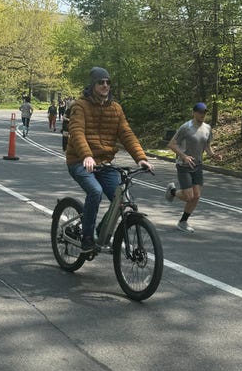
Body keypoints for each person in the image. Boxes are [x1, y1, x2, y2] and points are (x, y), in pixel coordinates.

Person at [66, 67, 151, 255]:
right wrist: (86, 155)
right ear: (93, 84)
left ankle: (100, 233)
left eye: (108, 82)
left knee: (122, 198)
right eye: (100, 82)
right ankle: (87, 237)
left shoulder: (116, 108)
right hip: (80, 161)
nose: (105, 85)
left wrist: (141, 158)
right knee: (95, 191)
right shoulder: (80, 106)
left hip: (104, 163)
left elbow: (126, 134)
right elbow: (77, 132)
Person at [164, 101, 220, 233]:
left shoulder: (207, 128)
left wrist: (213, 155)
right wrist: (183, 156)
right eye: (200, 112)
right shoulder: (186, 127)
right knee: (189, 197)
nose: (202, 115)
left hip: (198, 165)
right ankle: (172, 192)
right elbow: (172, 144)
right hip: (184, 165)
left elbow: (207, 146)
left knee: (197, 196)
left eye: (204, 112)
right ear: (194, 113)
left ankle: (183, 222)